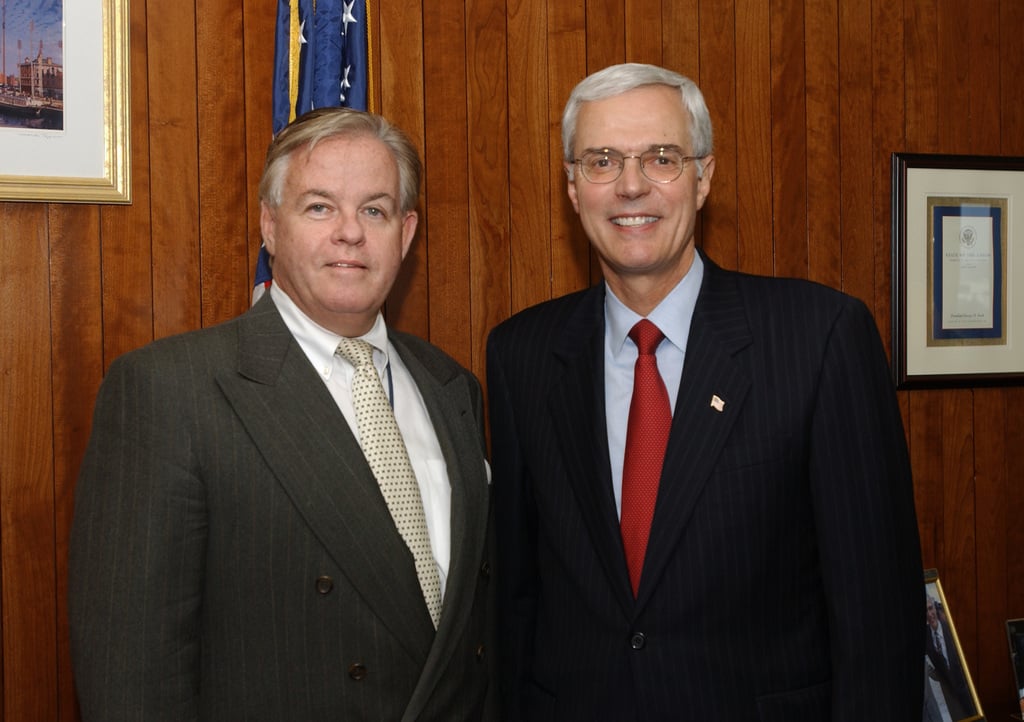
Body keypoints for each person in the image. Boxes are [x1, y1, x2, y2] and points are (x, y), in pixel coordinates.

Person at [486, 62, 924, 720]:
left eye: (661, 157)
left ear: (704, 177)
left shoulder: (819, 338)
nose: (631, 186)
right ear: (573, 187)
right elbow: (516, 602)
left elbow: (877, 620)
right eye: (602, 161)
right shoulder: (521, 354)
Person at [69, 107, 496, 721]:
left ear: (405, 234)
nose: (350, 232)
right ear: (271, 226)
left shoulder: (452, 384)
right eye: (319, 206)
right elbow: (130, 679)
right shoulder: (171, 391)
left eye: (373, 210)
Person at [925, 596, 975, 718]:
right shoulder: (926, 636)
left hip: (968, 690)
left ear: (935, 608)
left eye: (930, 608)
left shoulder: (952, 628)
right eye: (925, 611)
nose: (929, 614)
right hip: (950, 697)